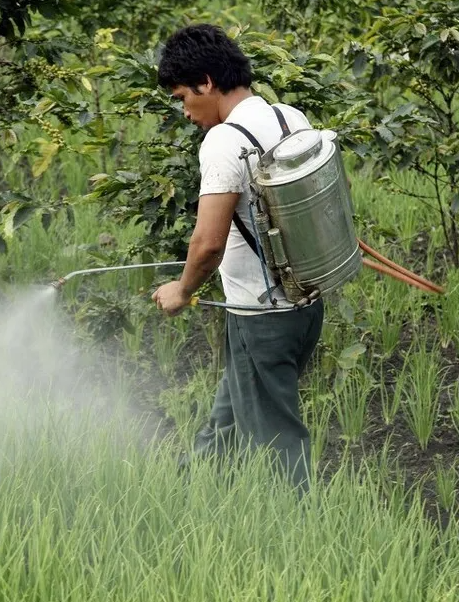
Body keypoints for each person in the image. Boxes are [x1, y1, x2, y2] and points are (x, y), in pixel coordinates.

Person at [151, 24, 324, 489]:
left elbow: (207, 244)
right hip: (304, 305)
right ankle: (188, 488)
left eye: (183, 97)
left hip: (261, 314)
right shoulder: (290, 117)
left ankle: (303, 533)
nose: (185, 111)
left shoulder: (224, 141)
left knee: (277, 439)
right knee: (230, 412)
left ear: (206, 82)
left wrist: (181, 291)